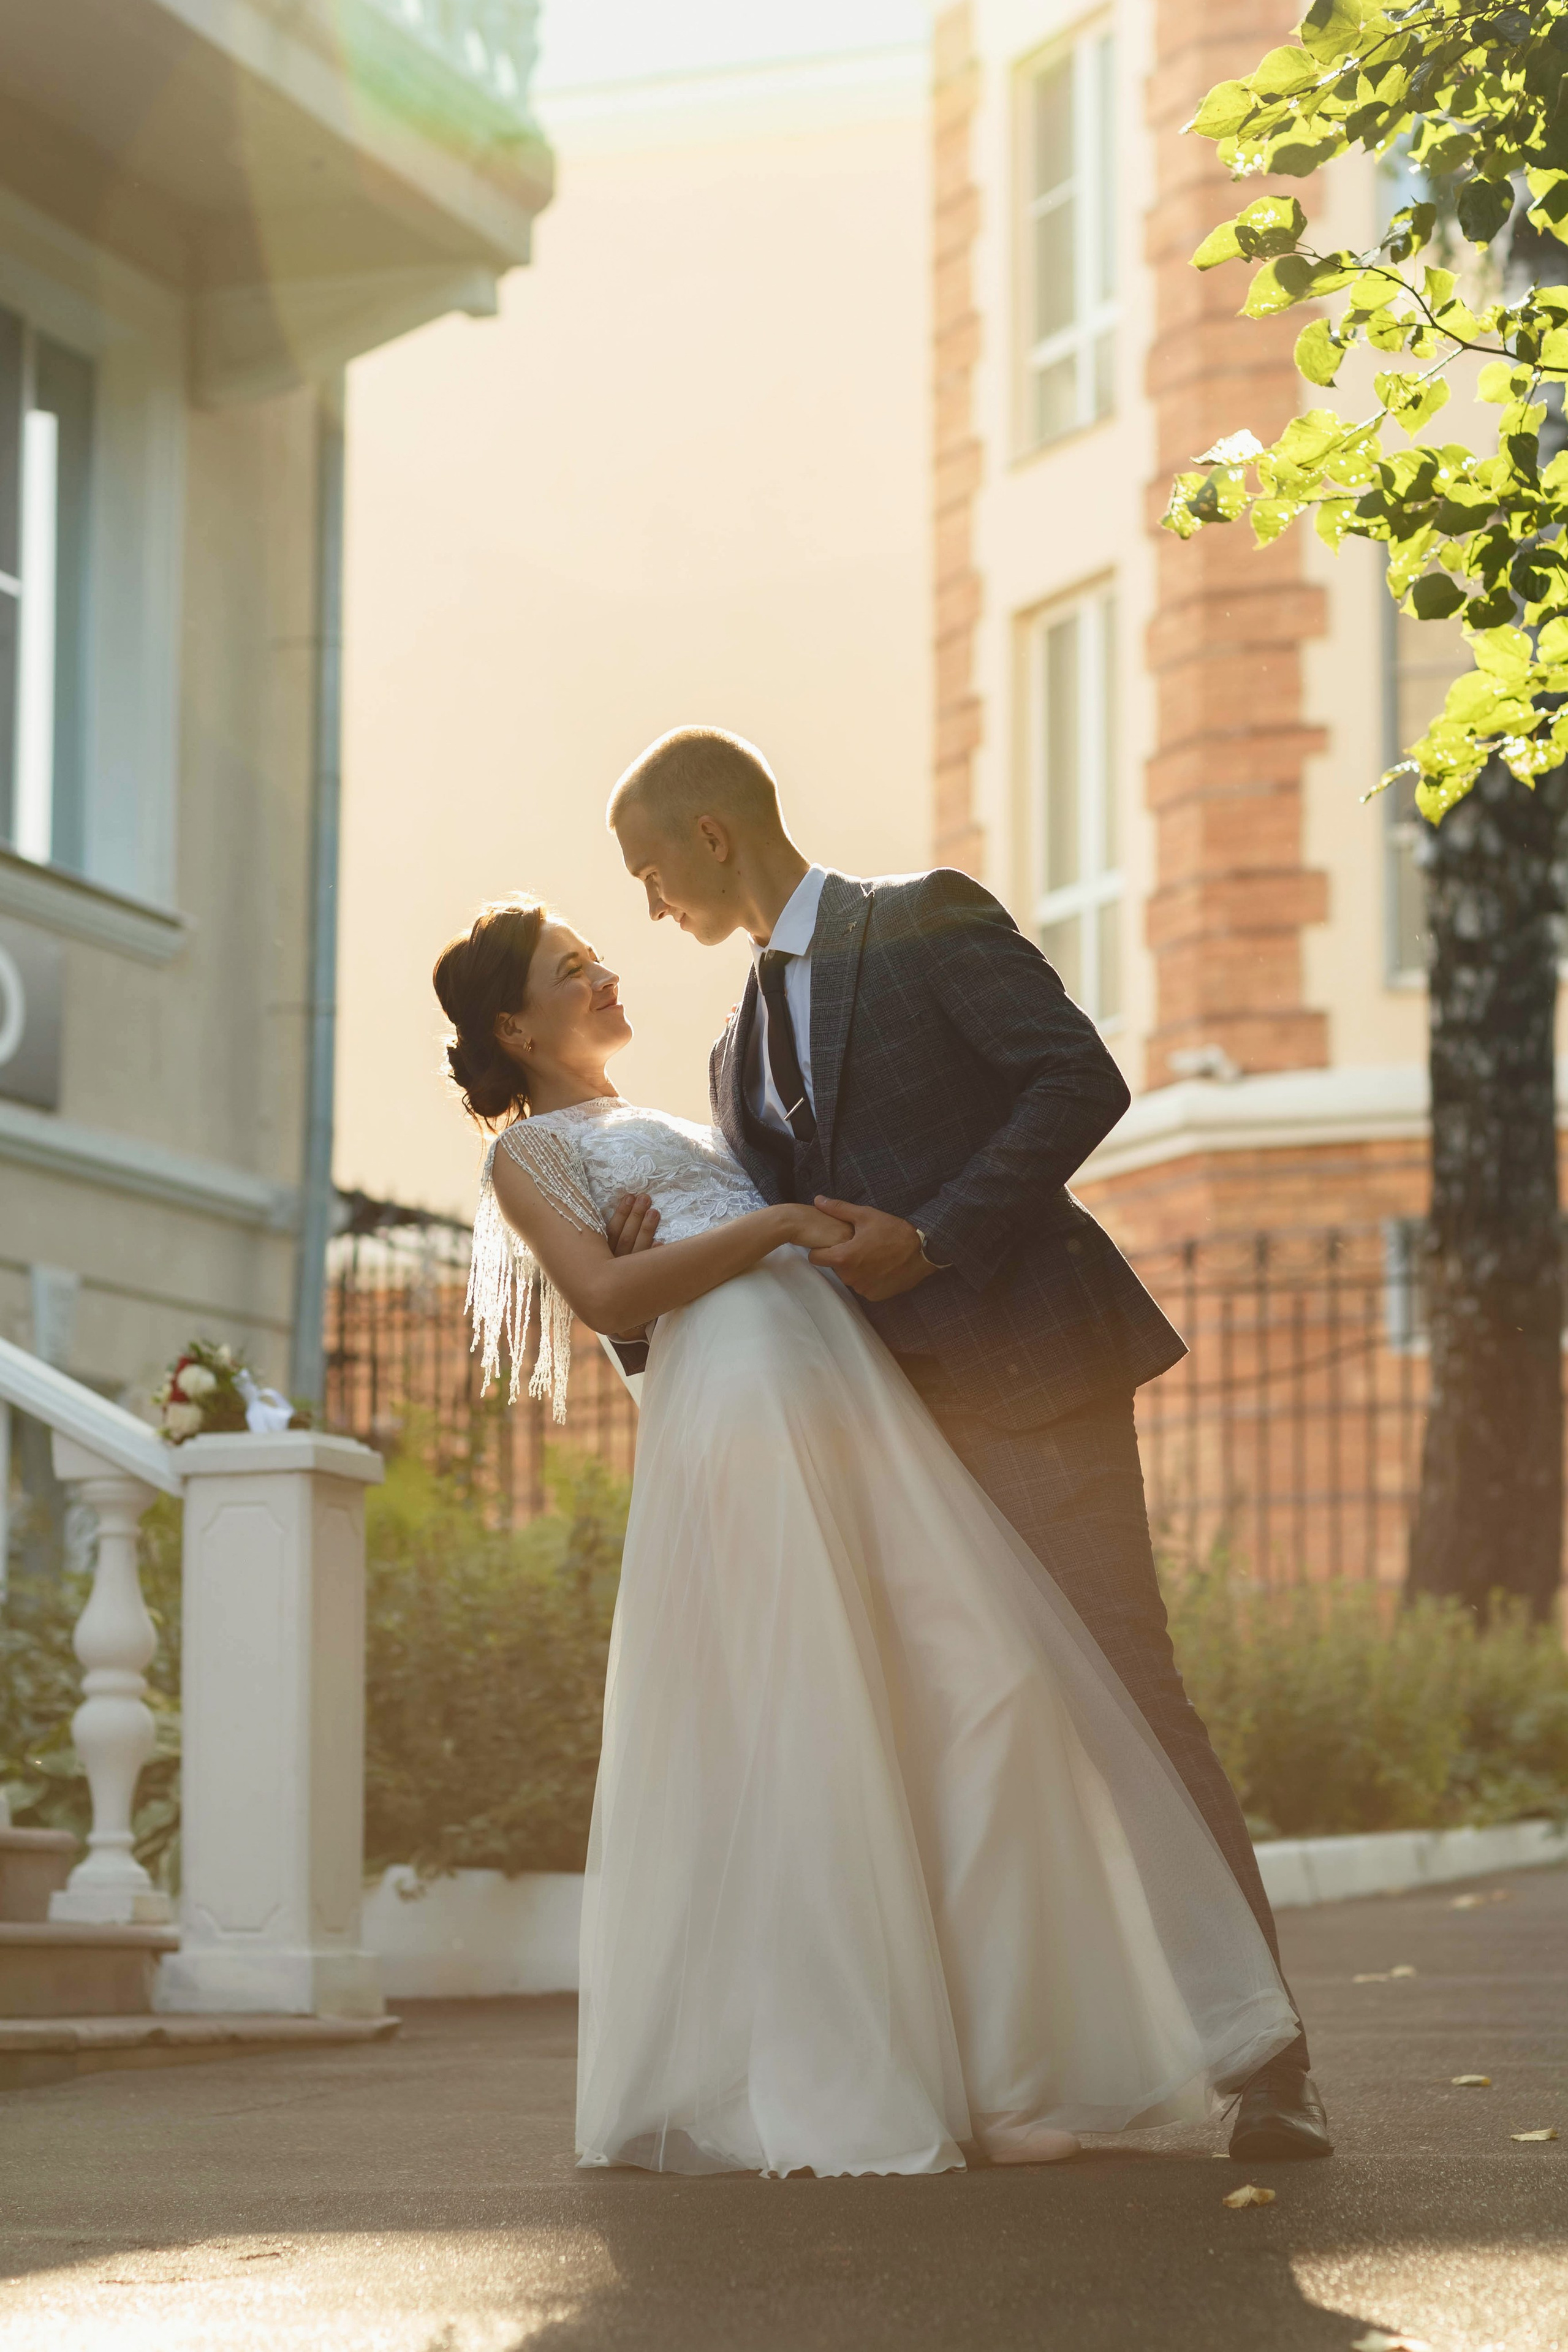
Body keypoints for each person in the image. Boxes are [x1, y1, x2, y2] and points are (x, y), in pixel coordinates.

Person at [433, 893, 1300, 2180]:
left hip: (847, 1400)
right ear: (514, 1021)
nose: (608, 971)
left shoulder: (688, 1115)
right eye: (574, 967)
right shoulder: (530, 1157)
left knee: (983, 1686)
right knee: (816, 1721)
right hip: (741, 1416)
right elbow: (613, 1298)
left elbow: (665, 1280)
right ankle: (858, 2075)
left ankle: (1000, 2070)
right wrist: (774, 1226)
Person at [604, 723, 1331, 2165]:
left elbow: (1076, 1082)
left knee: (1128, 1691)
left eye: (646, 873)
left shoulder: (922, 912)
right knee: (966, 1735)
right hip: (884, 1439)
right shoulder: (728, 1048)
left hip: (1030, 1374)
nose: (645, 913)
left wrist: (929, 1237)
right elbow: (767, 1258)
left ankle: (1267, 2061)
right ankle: (1034, 2063)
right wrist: (640, 1286)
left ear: (708, 836)